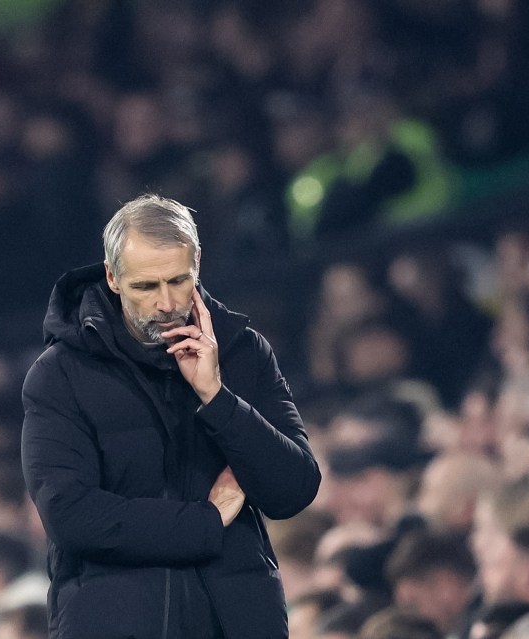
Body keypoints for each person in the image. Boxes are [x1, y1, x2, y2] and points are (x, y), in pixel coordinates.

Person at [21, 194, 322, 638]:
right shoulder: (61, 374)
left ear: (197, 262)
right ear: (113, 277)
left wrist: (216, 397)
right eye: (146, 286)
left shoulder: (243, 351)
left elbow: (293, 488)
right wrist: (204, 521)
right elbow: (71, 515)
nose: (166, 303)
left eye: (179, 281)